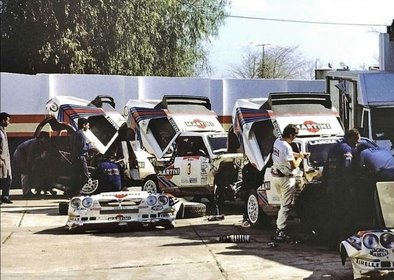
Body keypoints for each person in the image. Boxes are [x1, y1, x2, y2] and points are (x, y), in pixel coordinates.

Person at [322, 128, 360, 248]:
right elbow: (347, 170)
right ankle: (345, 244)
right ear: (351, 138)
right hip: (342, 189)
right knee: (345, 216)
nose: (357, 143)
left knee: (333, 215)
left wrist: (325, 184)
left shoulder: (334, 148)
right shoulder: (347, 150)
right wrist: (351, 187)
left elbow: (326, 169)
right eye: (356, 140)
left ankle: (331, 242)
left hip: (332, 186)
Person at [271, 124, 309, 239]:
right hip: (286, 179)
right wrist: (300, 158)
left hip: (276, 176)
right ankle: (280, 230)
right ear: (291, 135)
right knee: (286, 206)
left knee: (282, 204)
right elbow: (293, 165)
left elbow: (287, 154)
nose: (295, 138)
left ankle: (279, 227)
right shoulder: (287, 146)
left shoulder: (277, 141)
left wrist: (299, 155)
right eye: (295, 135)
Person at [12, 132, 50, 196]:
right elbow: (30, 156)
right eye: (46, 138)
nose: (47, 140)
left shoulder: (40, 143)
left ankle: (28, 191)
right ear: (42, 138)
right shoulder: (34, 143)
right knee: (25, 172)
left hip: (24, 156)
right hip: (20, 156)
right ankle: (26, 192)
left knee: (28, 172)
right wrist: (29, 167)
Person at [68, 118, 94, 197]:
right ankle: (75, 192)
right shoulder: (82, 134)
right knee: (85, 177)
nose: (88, 127)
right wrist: (90, 145)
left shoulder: (74, 134)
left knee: (76, 177)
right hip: (81, 158)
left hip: (74, 158)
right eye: (87, 125)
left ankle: (74, 193)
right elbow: (83, 149)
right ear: (83, 125)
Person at [0, 112, 13, 204]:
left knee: (8, 178)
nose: (9, 122)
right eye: (8, 120)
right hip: (1, 159)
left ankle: (5, 196)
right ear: (3, 120)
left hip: (6, 159)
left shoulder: (3, 130)